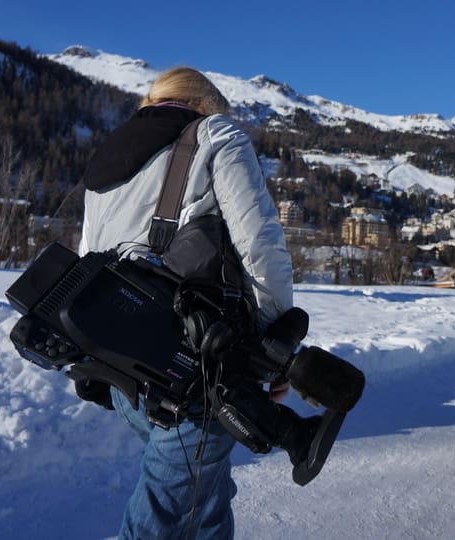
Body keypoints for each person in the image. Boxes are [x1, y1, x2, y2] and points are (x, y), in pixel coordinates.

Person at [78, 67, 294, 539]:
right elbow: (260, 247)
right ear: (204, 103)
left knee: (204, 498)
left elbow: (87, 256)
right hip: (195, 365)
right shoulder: (216, 134)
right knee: (163, 516)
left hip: (123, 365)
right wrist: (273, 347)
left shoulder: (109, 153)